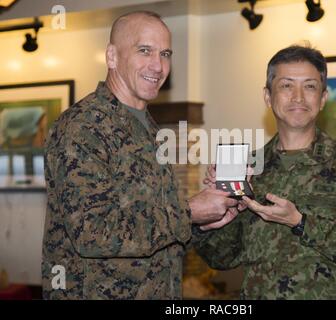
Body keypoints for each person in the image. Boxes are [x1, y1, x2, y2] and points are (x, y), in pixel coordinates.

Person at [42, 11, 238, 300]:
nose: (158, 65)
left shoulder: (147, 129)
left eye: (165, 53)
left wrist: (206, 215)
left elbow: (156, 229)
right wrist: (189, 212)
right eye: (144, 50)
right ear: (111, 57)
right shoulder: (82, 127)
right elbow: (92, 233)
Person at [194, 44, 336, 299]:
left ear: (322, 98)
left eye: (309, 86)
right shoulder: (248, 167)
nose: (298, 97)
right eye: (286, 85)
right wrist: (215, 218)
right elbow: (221, 258)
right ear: (268, 96)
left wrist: (300, 222)